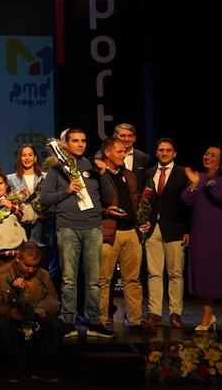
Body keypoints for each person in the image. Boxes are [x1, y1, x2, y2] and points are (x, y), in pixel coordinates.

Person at [40, 128, 114, 339]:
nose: (80, 144)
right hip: (67, 228)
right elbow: (45, 199)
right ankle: (69, 321)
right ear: (66, 145)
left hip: (92, 227)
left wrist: (103, 174)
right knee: (69, 279)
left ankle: (94, 322)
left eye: (83, 140)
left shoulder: (93, 166)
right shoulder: (56, 170)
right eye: (75, 141)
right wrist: (67, 191)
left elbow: (109, 196)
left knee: (93, 280)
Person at [181, 144, 222, 333]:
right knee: (206, 273)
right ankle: (207, 317)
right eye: (206, 153)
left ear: (221, 159)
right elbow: (186, 200)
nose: (207, 157)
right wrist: (194, 184)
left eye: (213, 155)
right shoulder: (199, 176)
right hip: (202, 233)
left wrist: (210, 182)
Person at [0, 241, 64, 383]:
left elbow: (54, 302)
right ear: (18, 258)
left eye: (35, 266)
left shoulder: (43, 275)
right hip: (12, 322)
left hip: (35, 322)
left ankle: (41, 368)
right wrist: (9, 312)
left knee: (57, 324)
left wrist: (45, 311)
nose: (31, 270)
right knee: (2, 325)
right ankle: (14, 370)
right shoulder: (0, 274)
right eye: (27, 265)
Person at [96, 137, 153, 333]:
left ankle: (136, 321)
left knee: (133, 280)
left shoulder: (128, 174)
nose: (124, 155)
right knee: (103, 280)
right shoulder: (99, 175)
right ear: (107, 153)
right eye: (120, 152)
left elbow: (135, 200)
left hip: (131, 233)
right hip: (110, 233)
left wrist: (141, 219)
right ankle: (101, 321)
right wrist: (106, 212)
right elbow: (94, 204)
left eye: (125, 152)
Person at [142, 138, 190, 329]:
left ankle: (175, 313)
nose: (164, 153)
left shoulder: (182, 173)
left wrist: (188, 229)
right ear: (156, 152)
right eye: (161, 150)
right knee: (153, 273)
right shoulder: (149, 173)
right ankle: (155, 313)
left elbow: (189, 205)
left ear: (174, 153)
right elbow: (144, 202)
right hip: (153, 228)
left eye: (168, 150)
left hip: (176, 228)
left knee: (175, 273)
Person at [6, 143, 48, 249]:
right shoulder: (10, 179)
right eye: (24, 155)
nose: (27, 158)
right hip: (21, 228)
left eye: (30, 155)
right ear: (19, 158)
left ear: (35, 158)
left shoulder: (45, 177)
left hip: (42, 229)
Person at [112, 123, 150, 191]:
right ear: (115, 137)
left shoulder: (143, 158)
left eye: (130, 136)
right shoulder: (106, 155)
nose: (126, 139)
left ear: (134, 138)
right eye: (122, 136)